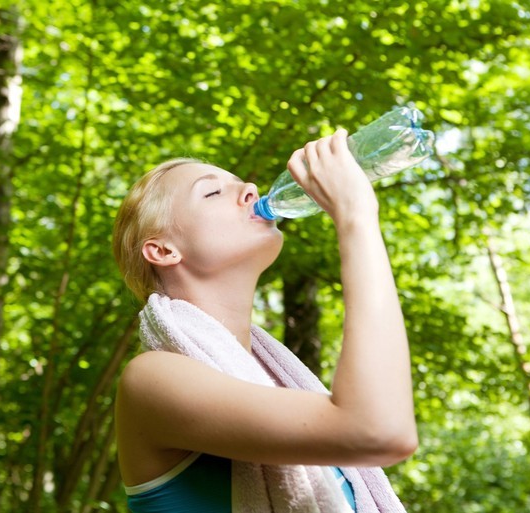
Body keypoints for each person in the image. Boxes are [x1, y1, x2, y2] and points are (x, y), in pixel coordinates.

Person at [112, 129, 418, 513]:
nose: (251, 190)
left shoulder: (277, 379)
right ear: (163, 250)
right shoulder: (152, 379)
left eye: (242, 184)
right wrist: (355, 216)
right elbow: (379, 432)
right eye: (212, 192)